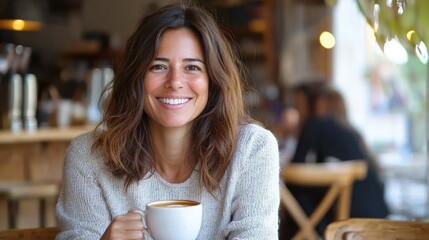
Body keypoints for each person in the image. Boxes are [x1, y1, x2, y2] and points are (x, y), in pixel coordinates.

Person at [55, 2, 280, 240]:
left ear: (213, 81)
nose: (175, 82)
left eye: (192, 67)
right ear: (136, 78)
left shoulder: (252, 150)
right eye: (158, 66)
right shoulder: (88, 158)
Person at [281, 80, 389, 239]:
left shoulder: (316, 124)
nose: (296, 112)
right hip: (378, 214)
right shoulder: (351, 132)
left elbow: (295, 172)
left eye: (298, 106)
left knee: (295, 195)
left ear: (314, 104)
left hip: (347, 219)